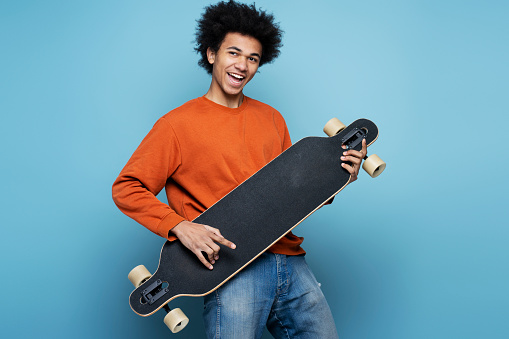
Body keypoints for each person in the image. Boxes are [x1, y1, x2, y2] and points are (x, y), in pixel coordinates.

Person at [113, 1, 367, 338]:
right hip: (232, 270)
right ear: (211, 54)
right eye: (234, 53)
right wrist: (179, 227)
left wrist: (340, 179)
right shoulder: (176, 125)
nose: (242, 65)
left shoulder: (272, 118)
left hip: (290, 260)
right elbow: (127, 187)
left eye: (253, 58)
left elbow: (293, 196)